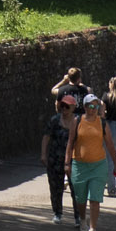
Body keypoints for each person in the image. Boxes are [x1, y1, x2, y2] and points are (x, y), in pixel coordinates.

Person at [68, 94, 114, 231]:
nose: (93, 109)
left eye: (96, 106)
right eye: (90, 106)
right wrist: (66, 163)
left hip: (98, 165)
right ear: (85, 106)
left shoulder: (102, 123)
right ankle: (83, 219)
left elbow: (110, 145)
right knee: (80, 199)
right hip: (79, 165)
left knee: (95, 198)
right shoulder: (77, 121)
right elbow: (70, 143)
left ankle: (93, 229)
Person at [41, 94, 73, 222]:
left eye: (67, 107)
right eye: (62, 106)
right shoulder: (54, 120)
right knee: (55, 187)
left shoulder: (77, 121)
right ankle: (57, 212)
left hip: (72, 160)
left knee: (76, 189)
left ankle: (78, 216)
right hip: (55, 158)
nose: (64, 109)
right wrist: (43, 154)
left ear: (73, 107)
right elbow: (46, 136)